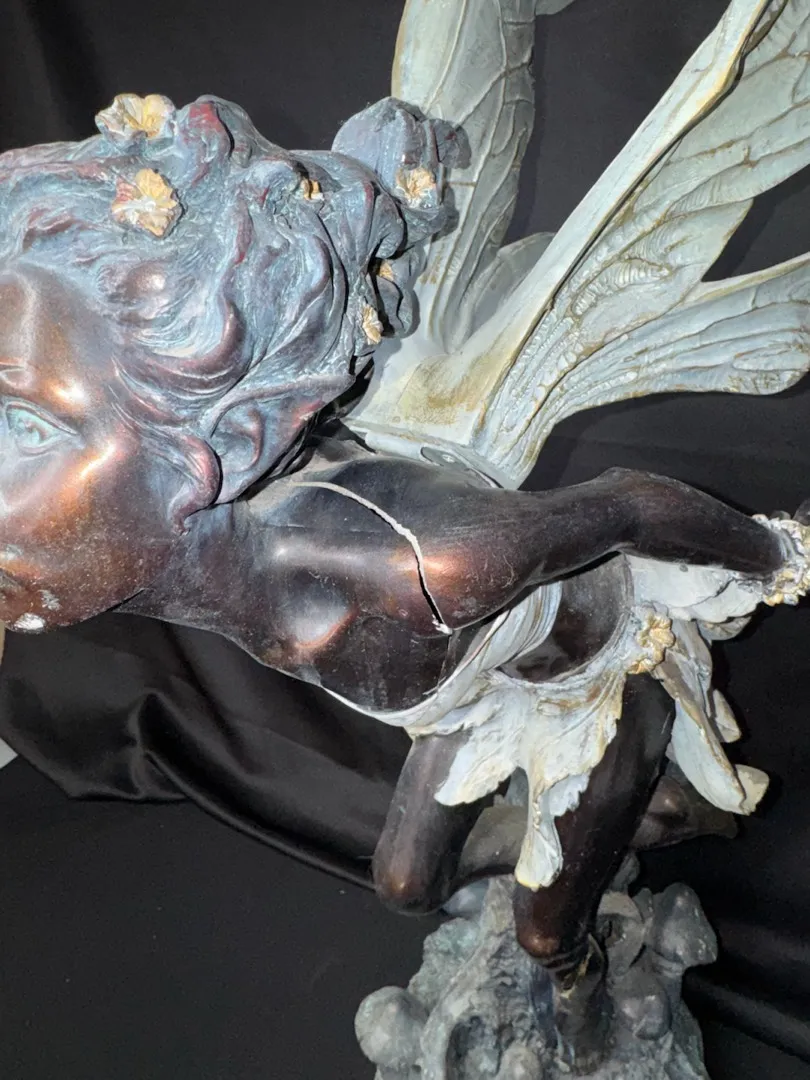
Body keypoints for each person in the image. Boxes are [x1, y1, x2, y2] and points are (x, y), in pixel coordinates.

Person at [0, 93, 806, 1072]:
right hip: (467, 698)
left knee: (545, 932)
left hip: (590, 684)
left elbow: (629, 503)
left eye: (22, 426)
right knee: (406, 886)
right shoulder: (158, 536)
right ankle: (630, 823)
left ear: (229, 442)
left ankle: (588, 1007)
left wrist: (776, 556)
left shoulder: (423, 565)